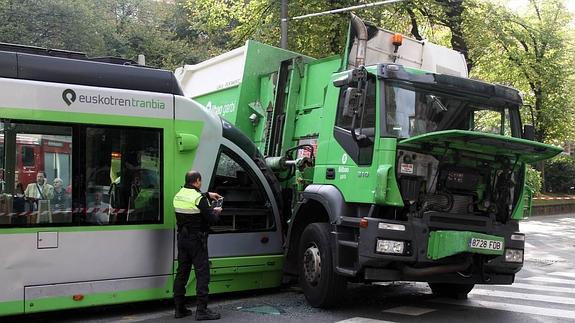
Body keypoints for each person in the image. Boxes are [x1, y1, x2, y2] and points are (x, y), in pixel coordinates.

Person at [173, 170, 223, 320]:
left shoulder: (178, 195)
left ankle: (179, 309)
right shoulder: (199, 199)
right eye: (200, 181)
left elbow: (192, 201)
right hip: (197, 240)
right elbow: (212, 219)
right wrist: (217, 211)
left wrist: (208, 194)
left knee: (182, 273)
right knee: (202, 274)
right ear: (197, 181)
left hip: (182, 239)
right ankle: (201, 311)